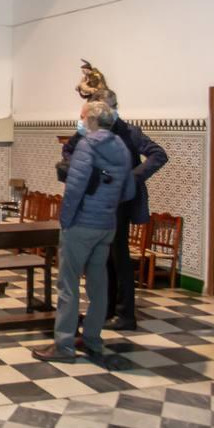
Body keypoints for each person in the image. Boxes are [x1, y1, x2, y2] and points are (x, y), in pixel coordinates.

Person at [34, 101, 135, 364]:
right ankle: (92, 339)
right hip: (107, 225)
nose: (79, 120)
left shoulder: (88, 145)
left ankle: (64, 346)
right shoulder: (122, 147)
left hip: (81, 225)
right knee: (98, 285)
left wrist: (66, 220)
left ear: (90, 119)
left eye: (81, 116)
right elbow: (129, 191)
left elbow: (75, 188)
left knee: (67, 284)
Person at [59, 88, 166, 331]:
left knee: (120, 259)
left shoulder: (128, 132)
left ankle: (125, 314)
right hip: (97, 202)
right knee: (102, 261)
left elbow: (158, 155)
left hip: (120, 203)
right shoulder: (87, 133)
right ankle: (104, 310)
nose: (111, 110)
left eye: (113, 105)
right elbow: (68, 152)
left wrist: (131, 178)